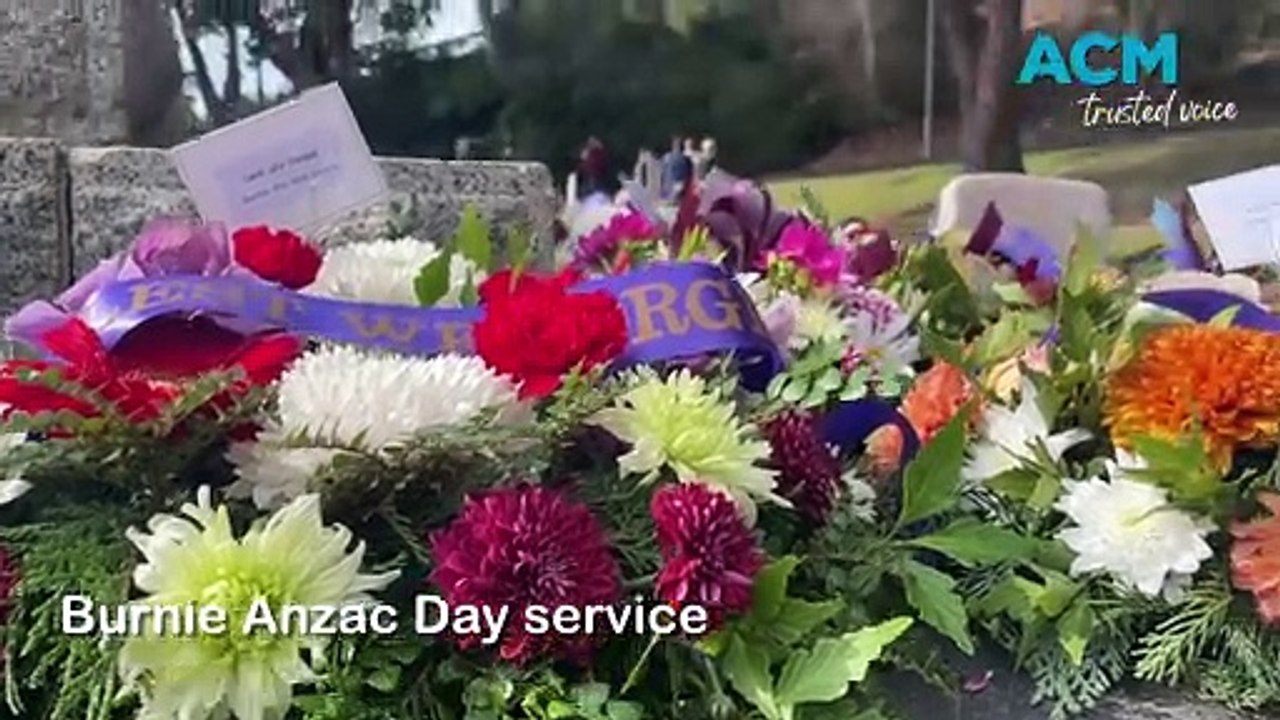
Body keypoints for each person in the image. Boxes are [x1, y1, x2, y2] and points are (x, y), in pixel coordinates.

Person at [660, 136, 693, 202]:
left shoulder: (666, 157)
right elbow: (679, 184)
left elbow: (663, 177)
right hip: (675, 201)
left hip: (664, 196)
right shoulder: (682, 160)